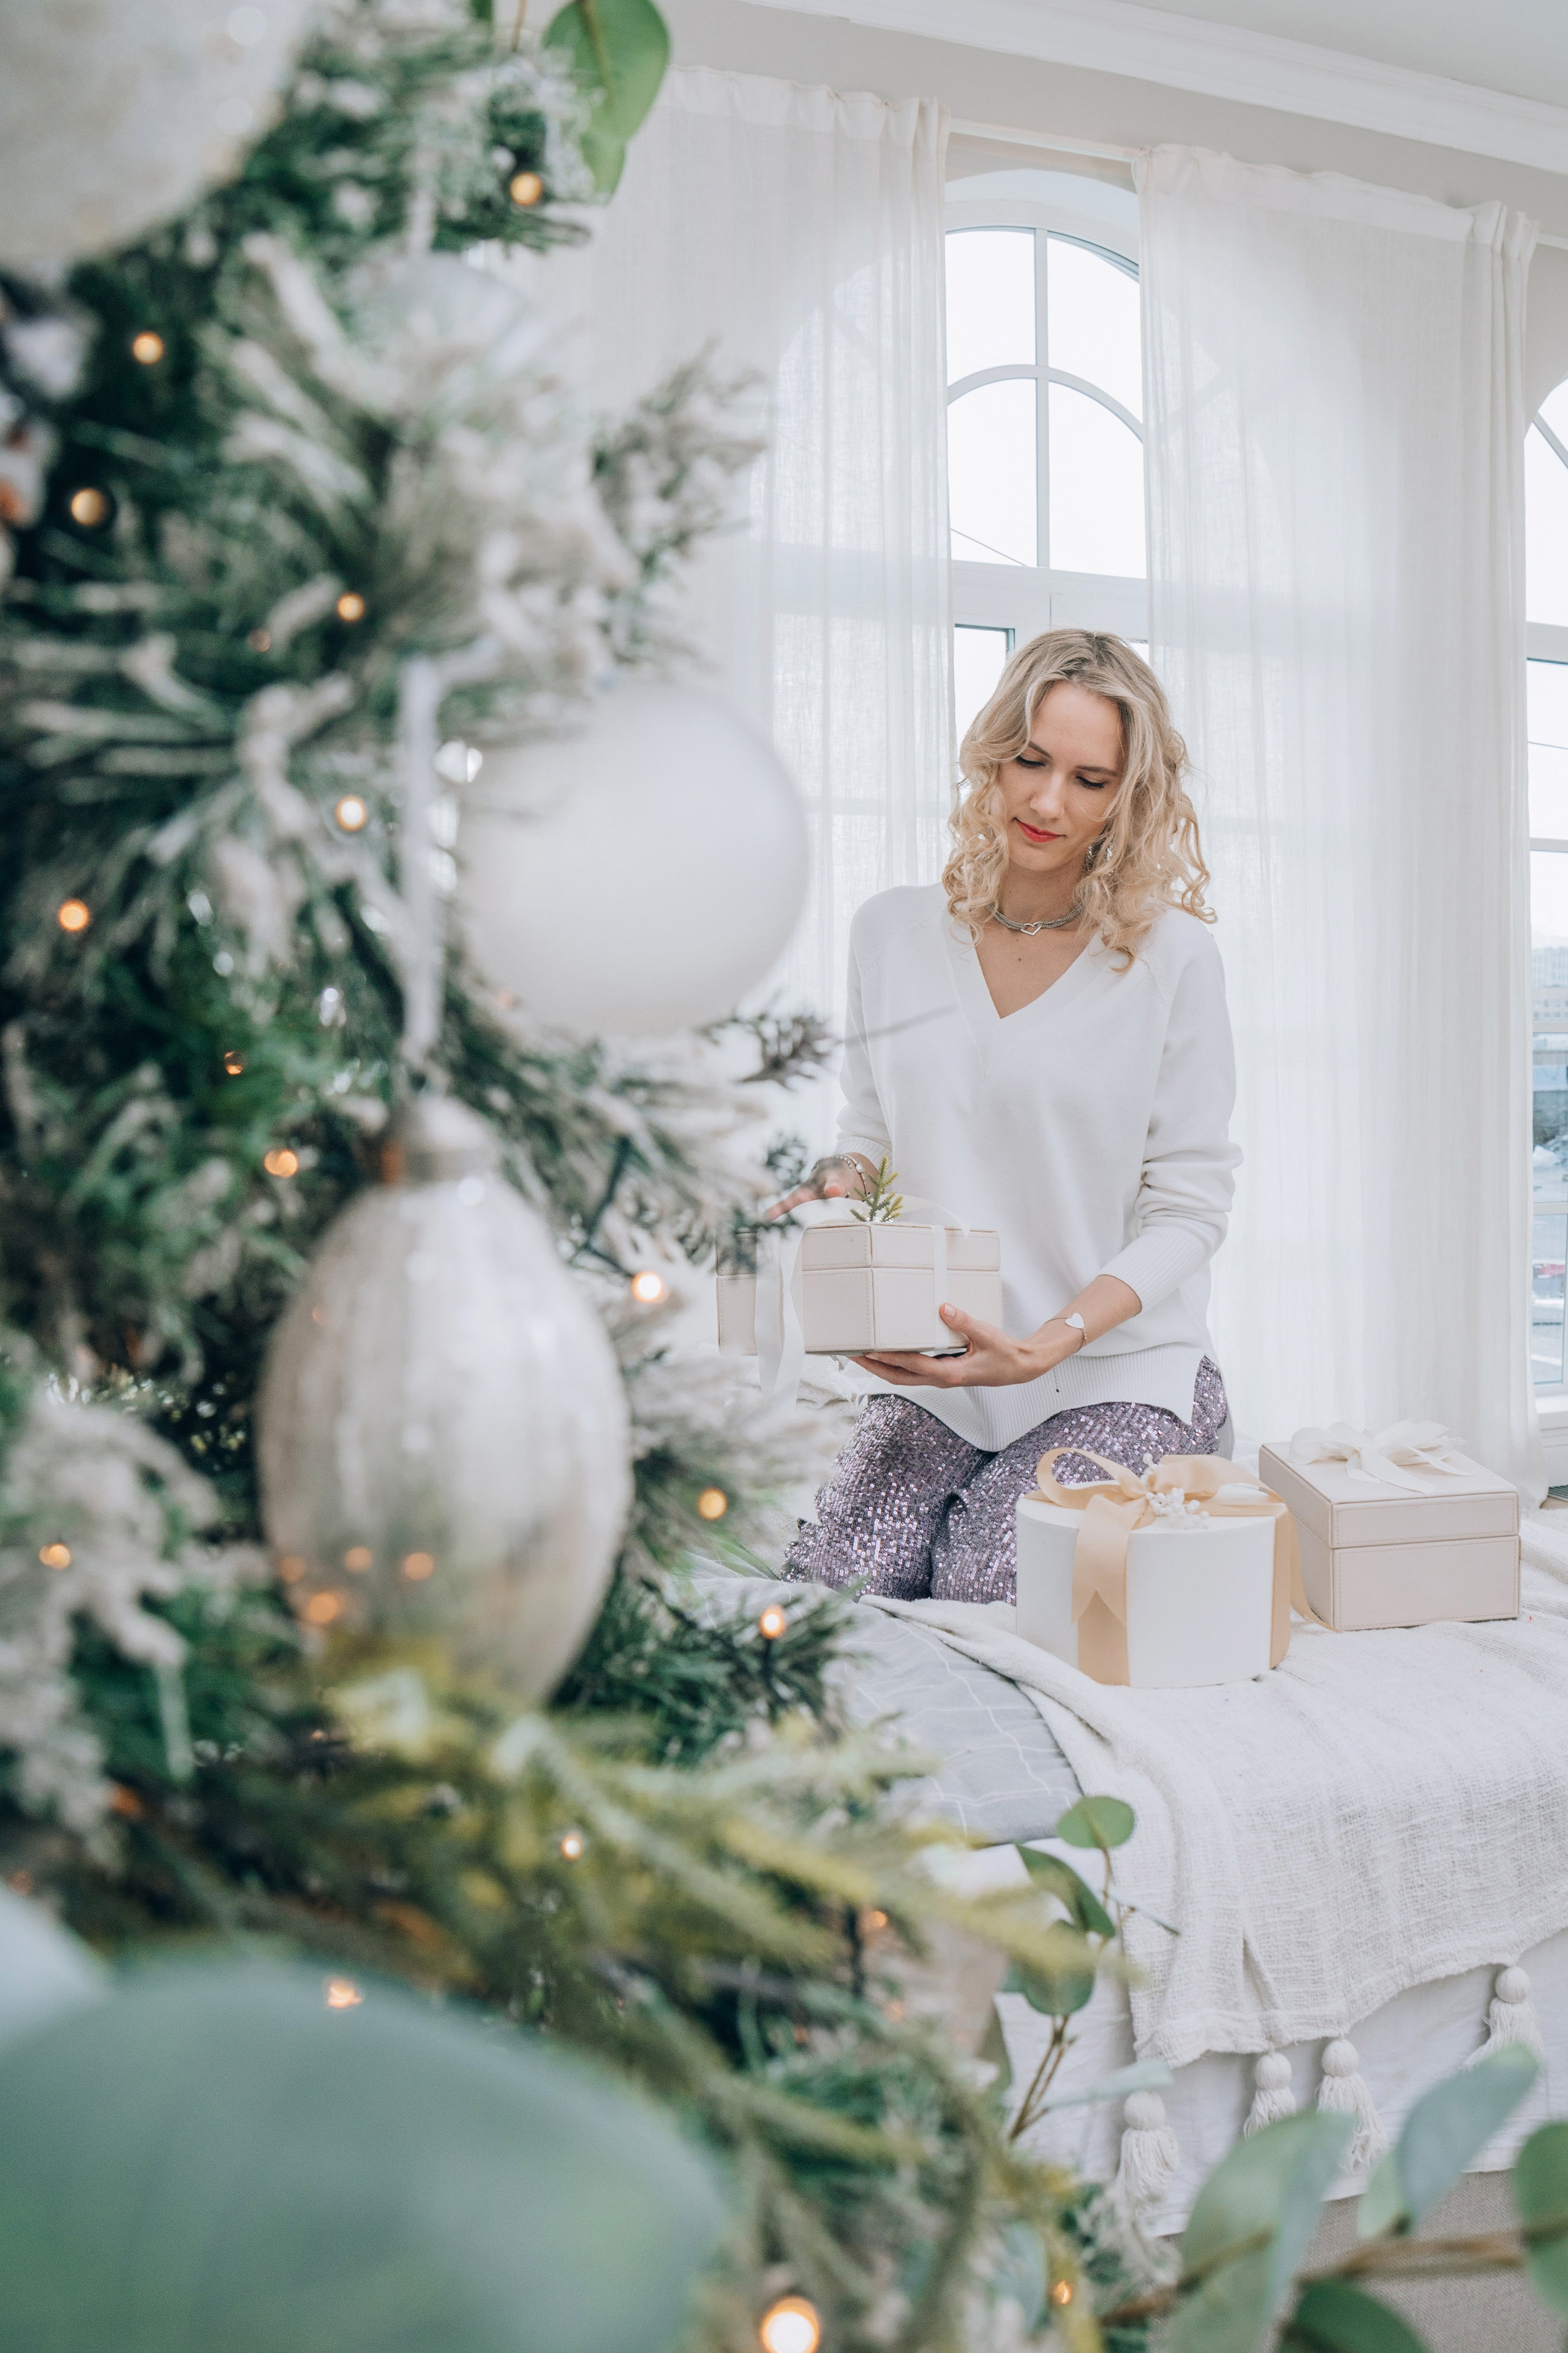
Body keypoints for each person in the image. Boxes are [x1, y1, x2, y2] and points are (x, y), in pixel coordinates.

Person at [778, 629, 1240, 1604]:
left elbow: (1190, 1210)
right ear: (992, 752)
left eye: (1089, 779)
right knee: (831, 1591)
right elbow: (871, 1141)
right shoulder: (890, 932)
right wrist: (827, 1185)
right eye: (1031, 761)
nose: (1047, 801)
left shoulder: (1171, 957)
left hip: (1111, 1367)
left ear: (1127, 797)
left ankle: (1191, 1427)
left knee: (988, 1587)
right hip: (944, 1375)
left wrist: (1048, 1342)